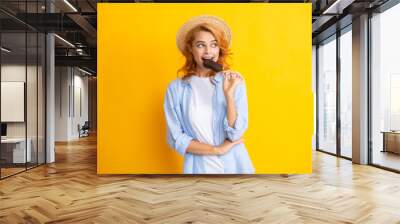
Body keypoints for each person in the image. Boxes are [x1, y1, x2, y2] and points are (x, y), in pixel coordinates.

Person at [164, 15, 254, 174]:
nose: (208, 51)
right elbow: (176, 139)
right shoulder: (176, 89)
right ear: (190, 49)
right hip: (197, 169)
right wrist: (216, 150)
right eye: (200, 45)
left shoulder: (234, 82)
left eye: (214, 45)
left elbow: (236, 134)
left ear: (220, 49)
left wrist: (229, 95)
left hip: (235, 167)